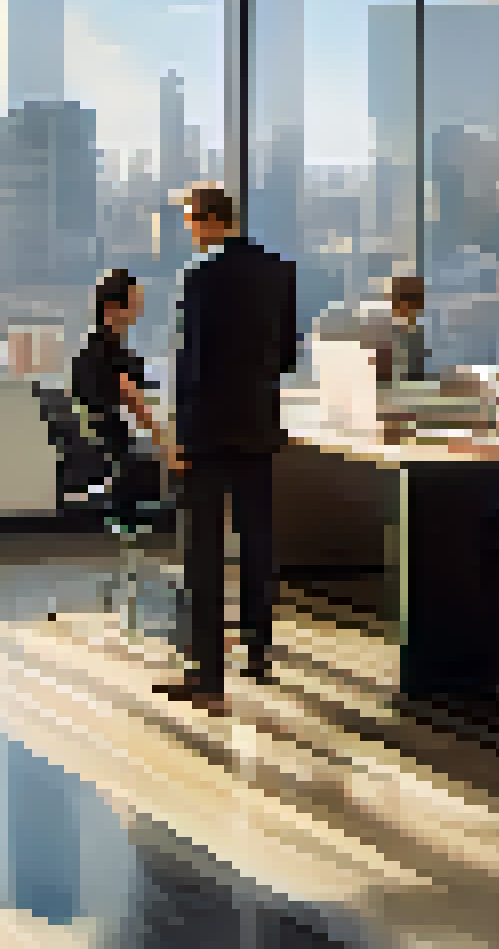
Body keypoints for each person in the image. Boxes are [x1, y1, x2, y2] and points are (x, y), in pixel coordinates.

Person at [162, 185, 298, 696]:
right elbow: (286, 354)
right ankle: (258, 651)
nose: (188, 229)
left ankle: (207, 672)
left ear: (203, 219)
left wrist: (179, 434)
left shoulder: (200, 277)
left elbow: (190, 362)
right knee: (257, 539)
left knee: (204, 549)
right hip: (259, 426)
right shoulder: (277, 271)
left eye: (188, 219)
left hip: (209, 430)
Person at [70, 269, 169, 513]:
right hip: (122, 461)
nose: (139, 311)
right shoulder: (117, 355)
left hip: (100, 457)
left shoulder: (87, 352)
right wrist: (170, 447)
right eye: (135, 304)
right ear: (114, 307)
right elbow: (138, 409)